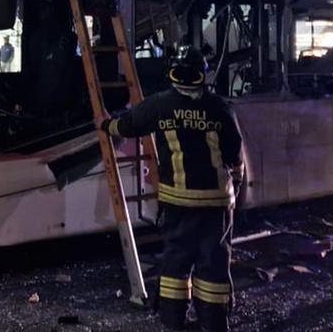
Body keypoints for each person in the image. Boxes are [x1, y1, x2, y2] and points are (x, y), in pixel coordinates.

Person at [103, 48, 243, 331]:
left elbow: (128, 125)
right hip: (216, 202)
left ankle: (173, 321)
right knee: (213, 262)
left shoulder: (160, 105)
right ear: (203, 75)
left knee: (176, 263)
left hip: (177, 201)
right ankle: (214, 323)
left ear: (173, 72)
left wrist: (108, 125)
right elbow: (235, 155)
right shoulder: (220, 108)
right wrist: (234, 189)